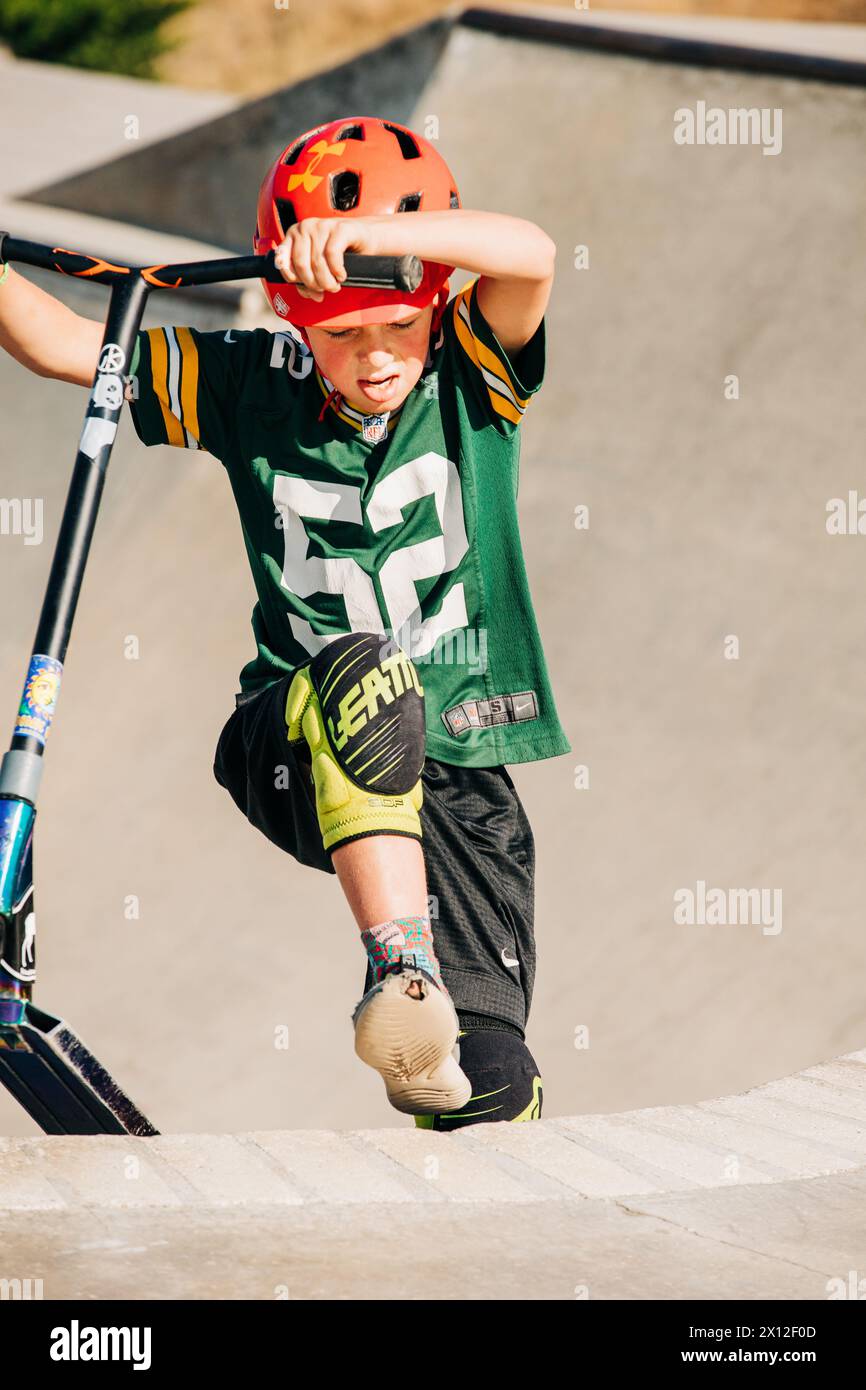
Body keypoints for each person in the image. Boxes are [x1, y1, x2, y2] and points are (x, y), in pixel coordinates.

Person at [0, 116, 570, 1129]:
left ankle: (431, 1074)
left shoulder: (474, 366)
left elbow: (529, 255)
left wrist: (383, 253)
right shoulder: (248, 383)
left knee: (496, 1084)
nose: (377, 357)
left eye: (397, 326)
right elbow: (59, 346)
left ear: (433, 303)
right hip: (291, 737)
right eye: (342, 336)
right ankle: (396, 967)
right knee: (364, 672)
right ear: (292, 320)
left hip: (461, 780)